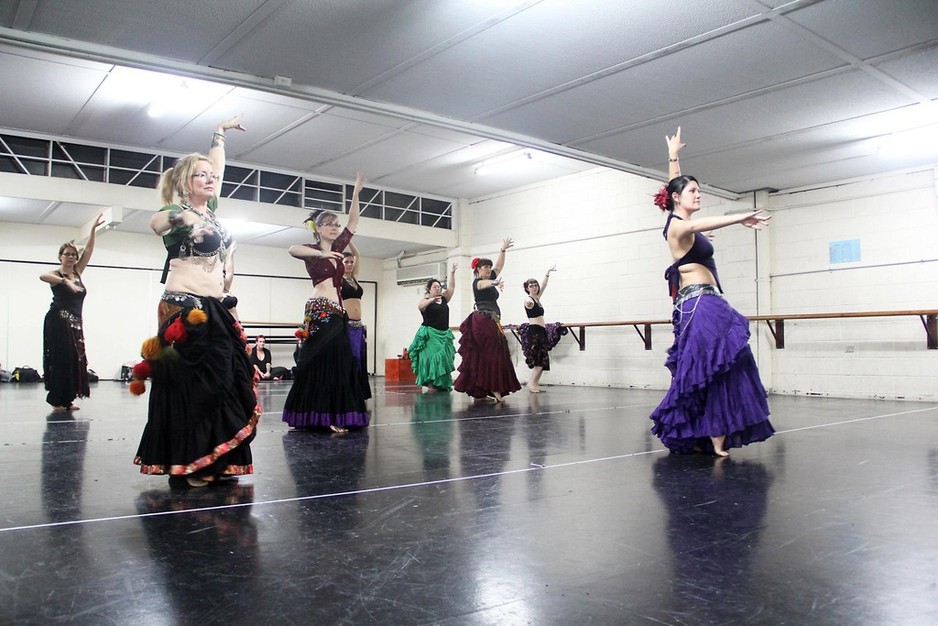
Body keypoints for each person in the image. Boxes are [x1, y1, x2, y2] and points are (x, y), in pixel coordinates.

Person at [132, 115, 260, 488]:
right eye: (200, 175)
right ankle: (192, 463)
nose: (210, 178)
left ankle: (216, 456)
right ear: (184, 183)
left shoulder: (212, 213)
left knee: (224, 380)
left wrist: (220, 133)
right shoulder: (181, 215)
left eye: (211, 175)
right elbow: (156, 223)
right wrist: (178, 216)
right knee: (194, 386)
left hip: (215, 307)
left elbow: (217, 166)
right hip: (184, 308)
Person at [649, 127, 775, 457]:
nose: (698, 195)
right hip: (697, 305)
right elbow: (692, 224)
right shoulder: (678, 226)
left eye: (698, 190)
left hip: (710, 302)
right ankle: (713, 433)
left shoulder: (678, 213)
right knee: (709, 366)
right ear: (678, 198)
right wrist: (738, 217)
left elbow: (673, 188)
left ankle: (717, 432)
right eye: (693, 191)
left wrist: (674, 157)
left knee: (726, 363)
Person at [282, 172, 369, 433]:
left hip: (338, 313)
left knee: (341, 361)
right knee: (317, 360)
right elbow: (291, 249)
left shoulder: (340, 246)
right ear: (318, 228)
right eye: (328, 224)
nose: (334, 227)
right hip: (320, 310)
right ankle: (317, 415)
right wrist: (321, 252)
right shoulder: (312, 250)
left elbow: (353, 222)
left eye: (335, 224)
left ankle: (332, 414)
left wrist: (355, 194)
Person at [39, 214, 105, 412]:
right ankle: (56, 400)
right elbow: (42, 276)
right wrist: (64, 281)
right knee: (62, 360)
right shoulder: (56, 274)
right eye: (67, 254)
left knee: (75, 360)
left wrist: (93, 229)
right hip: (58, 321)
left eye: (73, 254)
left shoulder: (77, 272)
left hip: (75, 323)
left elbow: (90, 250)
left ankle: (67, 400)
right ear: (60, 256)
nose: (70, 257)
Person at [454, 240, 522, 402]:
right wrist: (495, 282)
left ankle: (484, 387)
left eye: (489, 267)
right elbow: (483, 285)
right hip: (482, 321)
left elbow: (498, 267)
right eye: (485, 267)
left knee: (494, 352)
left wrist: (503, 250)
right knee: (491, 353)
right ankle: (493, 387)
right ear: (478, 269)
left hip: (493, 321)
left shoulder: (490, 276)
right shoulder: (477, 282)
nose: (489, 269)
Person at [408, 264, 458, 391]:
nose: (438, 288)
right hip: (430, 335)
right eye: (435, 287)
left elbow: (451, 287)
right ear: (429, 289)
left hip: (443, 334)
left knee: (443, 360)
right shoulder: (425, 300)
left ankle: (441, 383)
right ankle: (431, 385)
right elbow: (420, 306)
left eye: (439, 287)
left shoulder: (444, 299)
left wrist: (452, 273)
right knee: (431, 359)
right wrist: (431, 299)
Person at [520, 265, 558, 393]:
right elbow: (528, 303)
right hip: (534, 331)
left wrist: (547, 273)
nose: (535, 287)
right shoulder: (529, 299)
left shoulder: (537, 298)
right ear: (527, 288)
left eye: (535, 285)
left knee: (543, 359)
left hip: (541, 331)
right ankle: (531, 384)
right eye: (531, 286)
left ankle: (535, 384)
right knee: (539, 360)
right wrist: (529, 303)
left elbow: (544, 285)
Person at [341, 243, 372, 399]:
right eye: (346, 262)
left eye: (351, 262)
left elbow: (357, 254)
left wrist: (349, 239)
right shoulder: (338, 280)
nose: (349, 264)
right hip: (345, 325)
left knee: (359, 358)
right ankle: (347, 391)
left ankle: (356, 391)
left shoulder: (354, 278)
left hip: (358, 326)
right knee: (350, 358)